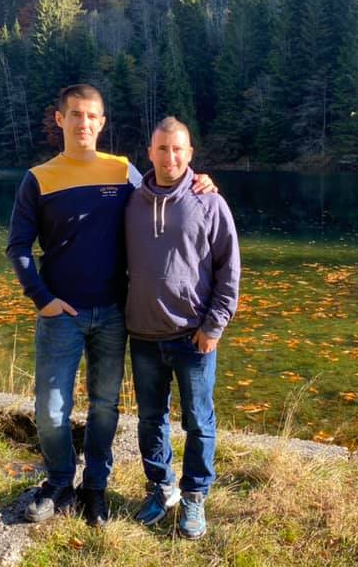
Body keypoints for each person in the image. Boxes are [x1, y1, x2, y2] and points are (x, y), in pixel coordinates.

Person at [6, 85, 214, 527]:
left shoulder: (121, 171)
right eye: (75, 115)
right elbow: (18, 247)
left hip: (114, 314)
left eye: (92, 116)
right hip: (61, 315)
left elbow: (165, 186)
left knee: (105, 406)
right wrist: (42, 298)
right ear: (60, 119)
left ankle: (95, 486)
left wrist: (200, 180)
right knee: (51, 411)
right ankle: (60, 482)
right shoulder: (39, 178)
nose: (83, 123)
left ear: (102, 123)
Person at [124, 116, 240, 540]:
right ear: (149, 153)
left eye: (178, 149)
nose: (169, 157)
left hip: (194, 336)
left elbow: (229, 269)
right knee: (150, 419)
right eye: (162, 149)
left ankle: (194, 495)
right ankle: (162, 488)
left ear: (190, 153)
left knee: (198, 421)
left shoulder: (209, 202)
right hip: (143, 334)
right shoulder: (131, 198)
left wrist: (215, 326)